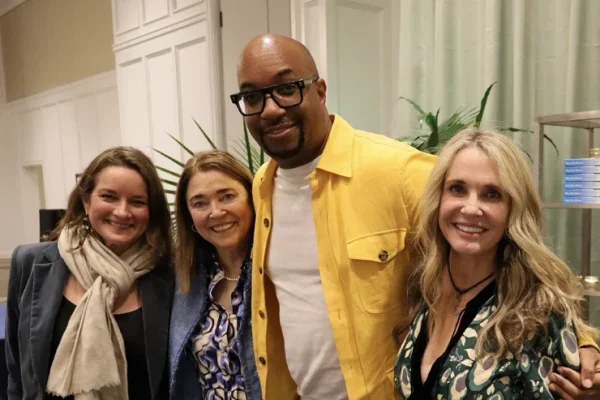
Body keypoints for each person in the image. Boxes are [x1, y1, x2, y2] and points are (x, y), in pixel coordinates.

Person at [230, 33, 600, 400]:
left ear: (320, 90)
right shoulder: (263, 185)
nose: (271, 109)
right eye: (252, 96)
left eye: (287, 88)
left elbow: (498, 232)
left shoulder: (397, 169)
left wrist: (581, 345)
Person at [393, 128, 600, 399]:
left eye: (492, 194)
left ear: (513, 209)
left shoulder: (538, 311)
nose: (470, 208)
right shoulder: (425, 288)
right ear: (438, 198)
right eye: (457, 189)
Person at [5, 146, 174, 400]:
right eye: (109, 197)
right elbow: (17, 372)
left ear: (151, 212)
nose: (122, 211)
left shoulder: (171, 276)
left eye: (137, 201)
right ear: (86, 201)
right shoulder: (30, 263)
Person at [168, 150, 261, 399]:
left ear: (252, 198)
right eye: (200, 203)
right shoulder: (185, 282)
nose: (216, 212)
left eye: (227, 196)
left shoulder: (278, 271)